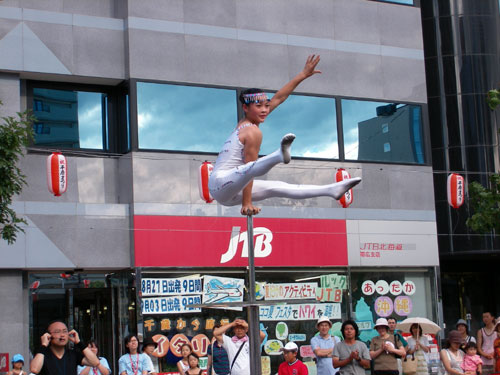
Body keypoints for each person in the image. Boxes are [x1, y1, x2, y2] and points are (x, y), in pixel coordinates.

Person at [207, 55, 362, 216]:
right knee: (249, 169)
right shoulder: (252, 132)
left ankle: (331, 190)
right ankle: (278, 155)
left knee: (279, 187)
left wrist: (302, 75)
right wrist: (247, 203)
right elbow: (249, 168)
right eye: (259, 106)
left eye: (266, 106)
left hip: (232, 190)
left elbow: (280, 97)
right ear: (245, 108)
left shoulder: (250, 122)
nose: (265, 110)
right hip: (220, 184)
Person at [30, 320, 101, 375]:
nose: (62, 335)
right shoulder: (43, 355)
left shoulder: (73, 354)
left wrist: (79, 343)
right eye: (57, 332)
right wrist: (44, 345)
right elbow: (34, 369)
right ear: (48, 335)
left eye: (65, 331)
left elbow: (95, 362)